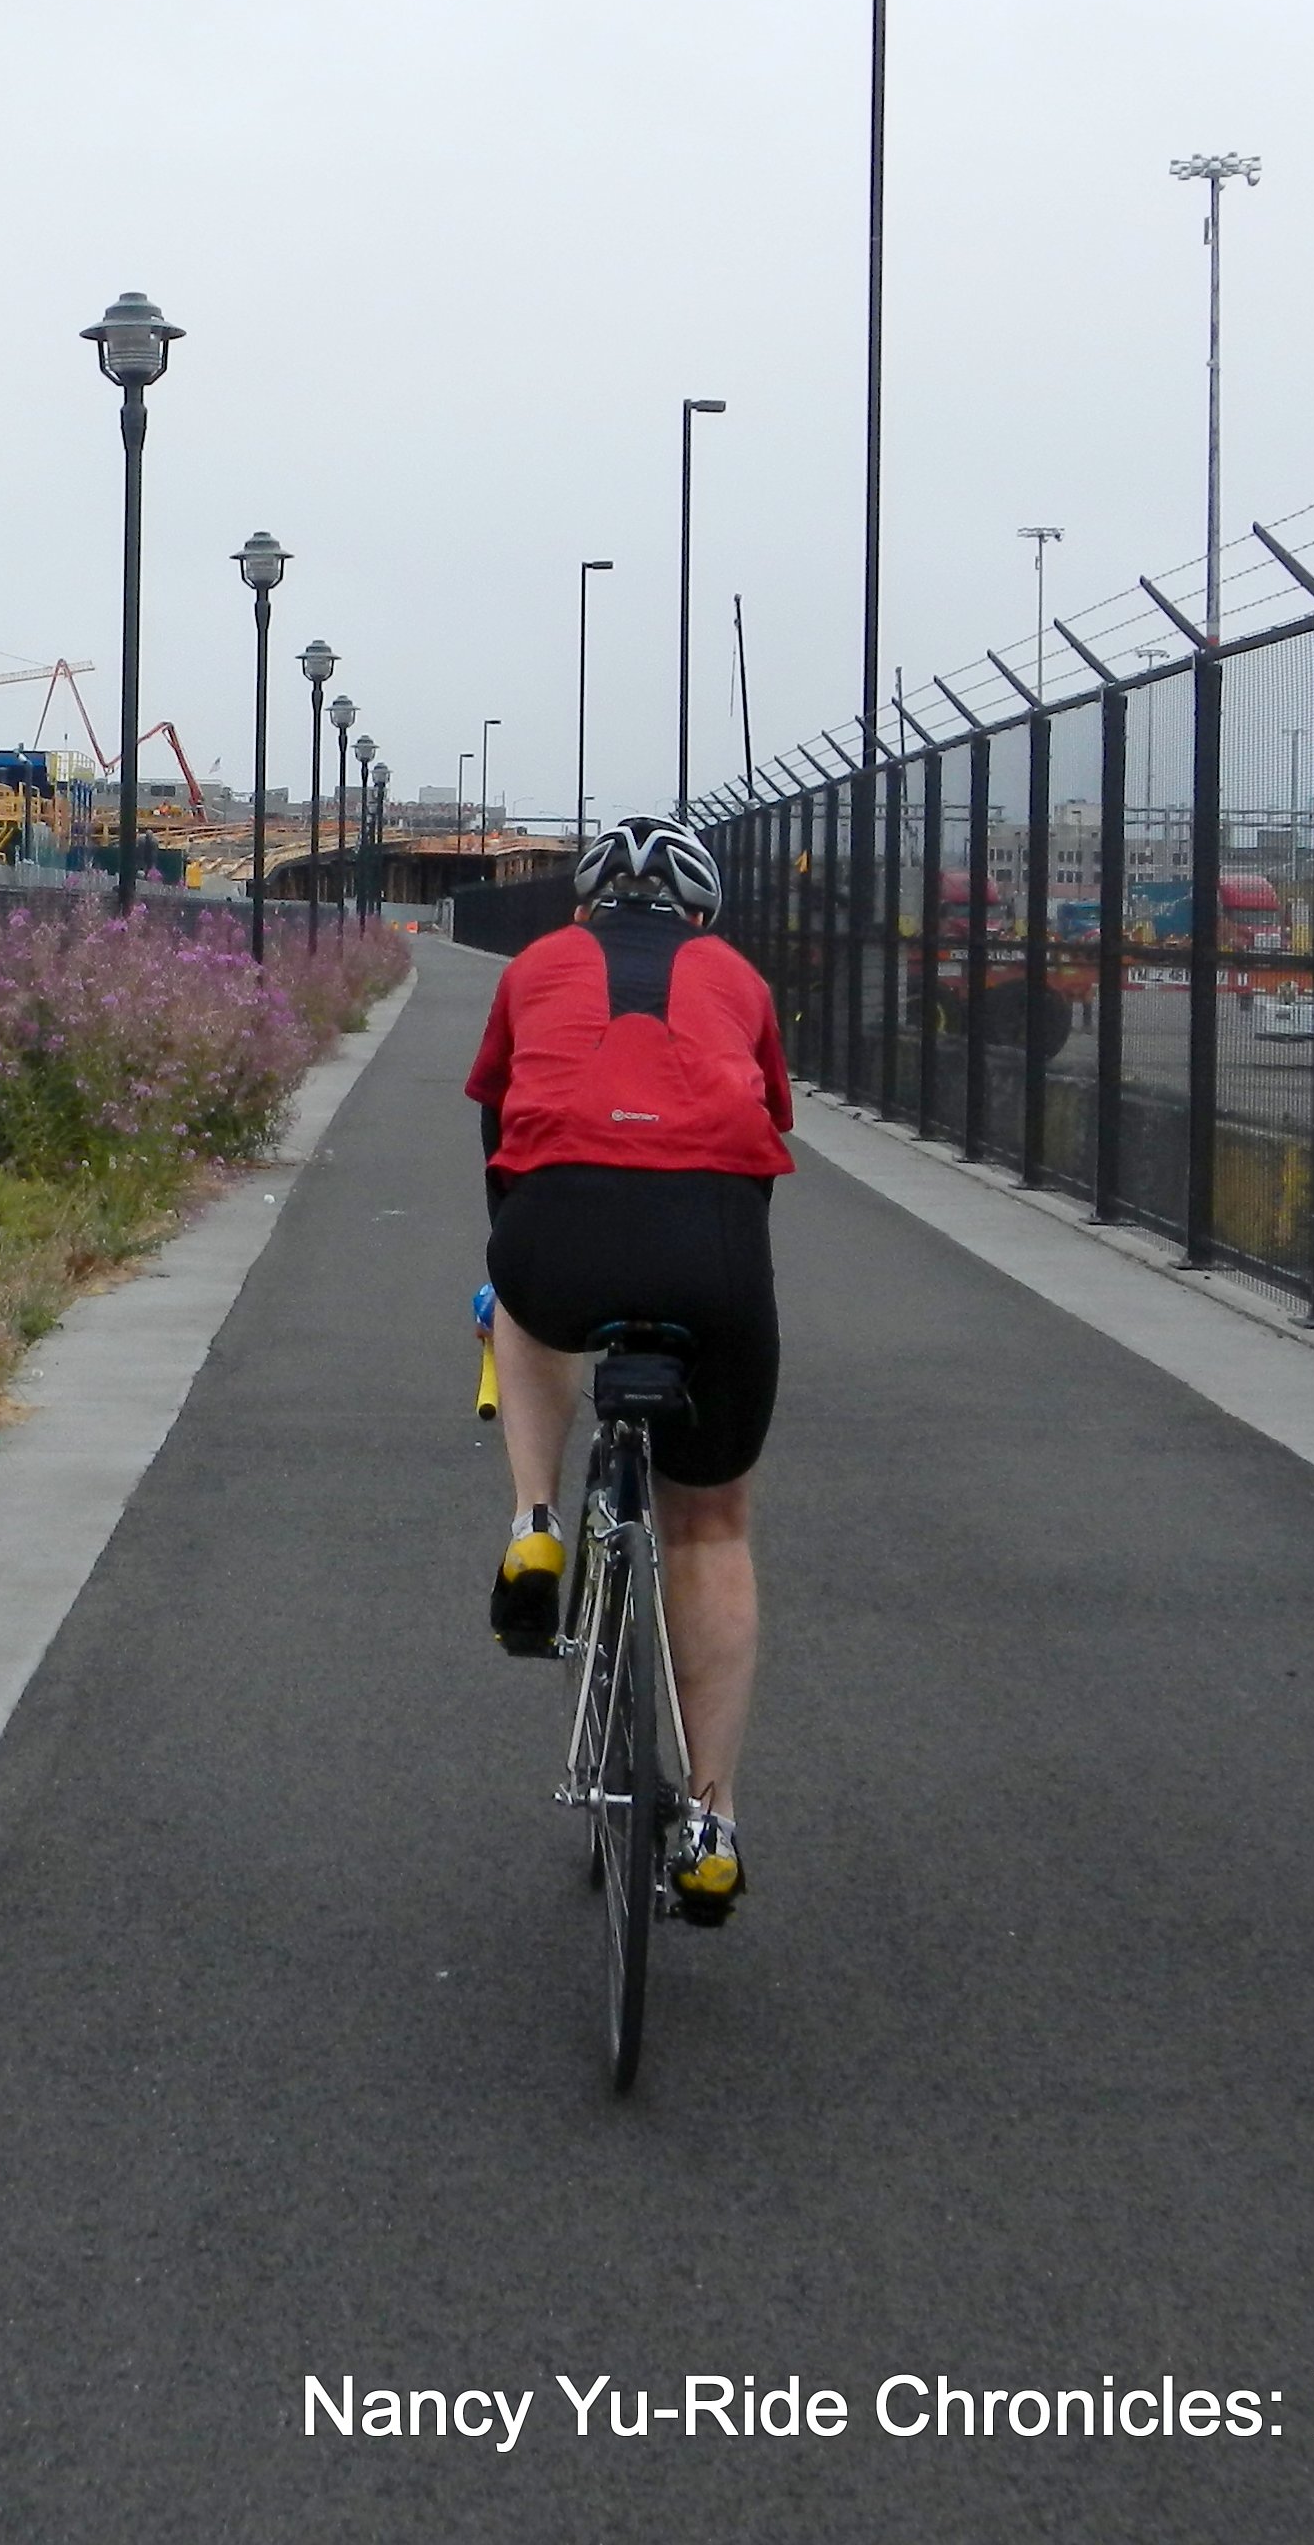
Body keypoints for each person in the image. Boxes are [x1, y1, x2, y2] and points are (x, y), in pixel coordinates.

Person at [465, 811, 792, 1920]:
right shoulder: (737, 978)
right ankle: (710, 1820)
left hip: (556, 1228)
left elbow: (504, 1138)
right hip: (711, 1245)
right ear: (701, 914)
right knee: (712, 1525)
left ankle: (536, 1522)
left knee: (518, 1290)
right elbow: (759, 1151)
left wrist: (519, 1255)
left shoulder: (540, 966)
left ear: (583, 907)